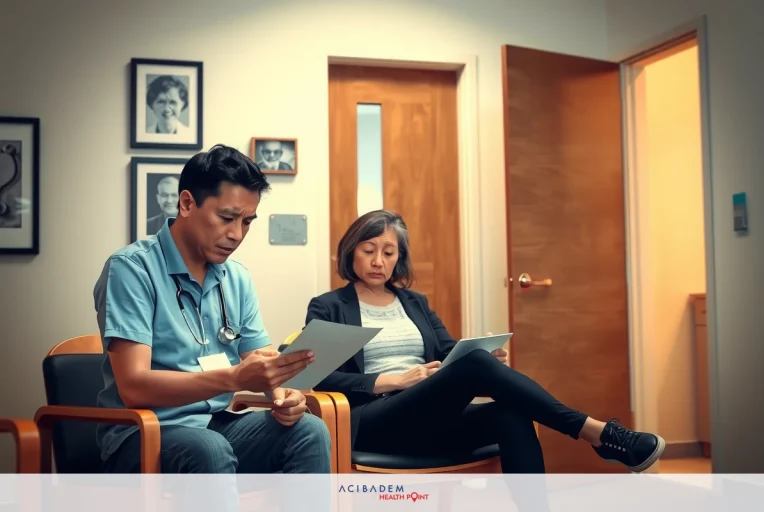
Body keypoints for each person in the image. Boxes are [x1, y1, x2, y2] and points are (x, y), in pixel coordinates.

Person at [306, 209, 666, 475]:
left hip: (428, 416)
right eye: (369, 250)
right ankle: (597, 433)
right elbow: (316, 377)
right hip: (373, 421)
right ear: (351, 251)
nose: (378, 261)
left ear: (399, 258)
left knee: (509, 410)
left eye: (388, 252)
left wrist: (483, 356)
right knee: (477, 366)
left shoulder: (415, 303)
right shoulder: (329, 306)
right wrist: (391, 381)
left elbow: (449, 354)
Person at [93, 144, 331, 476]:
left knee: (309, 430)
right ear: (187, 203)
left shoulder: (236, 277)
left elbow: (260, 359)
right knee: (209, 448)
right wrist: (233, 378)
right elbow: (134, 388)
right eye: (226, 218)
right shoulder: (132, 269)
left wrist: (284, 395)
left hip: (214, 424)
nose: (236, 234)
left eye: (247, 222)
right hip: (143, 431)